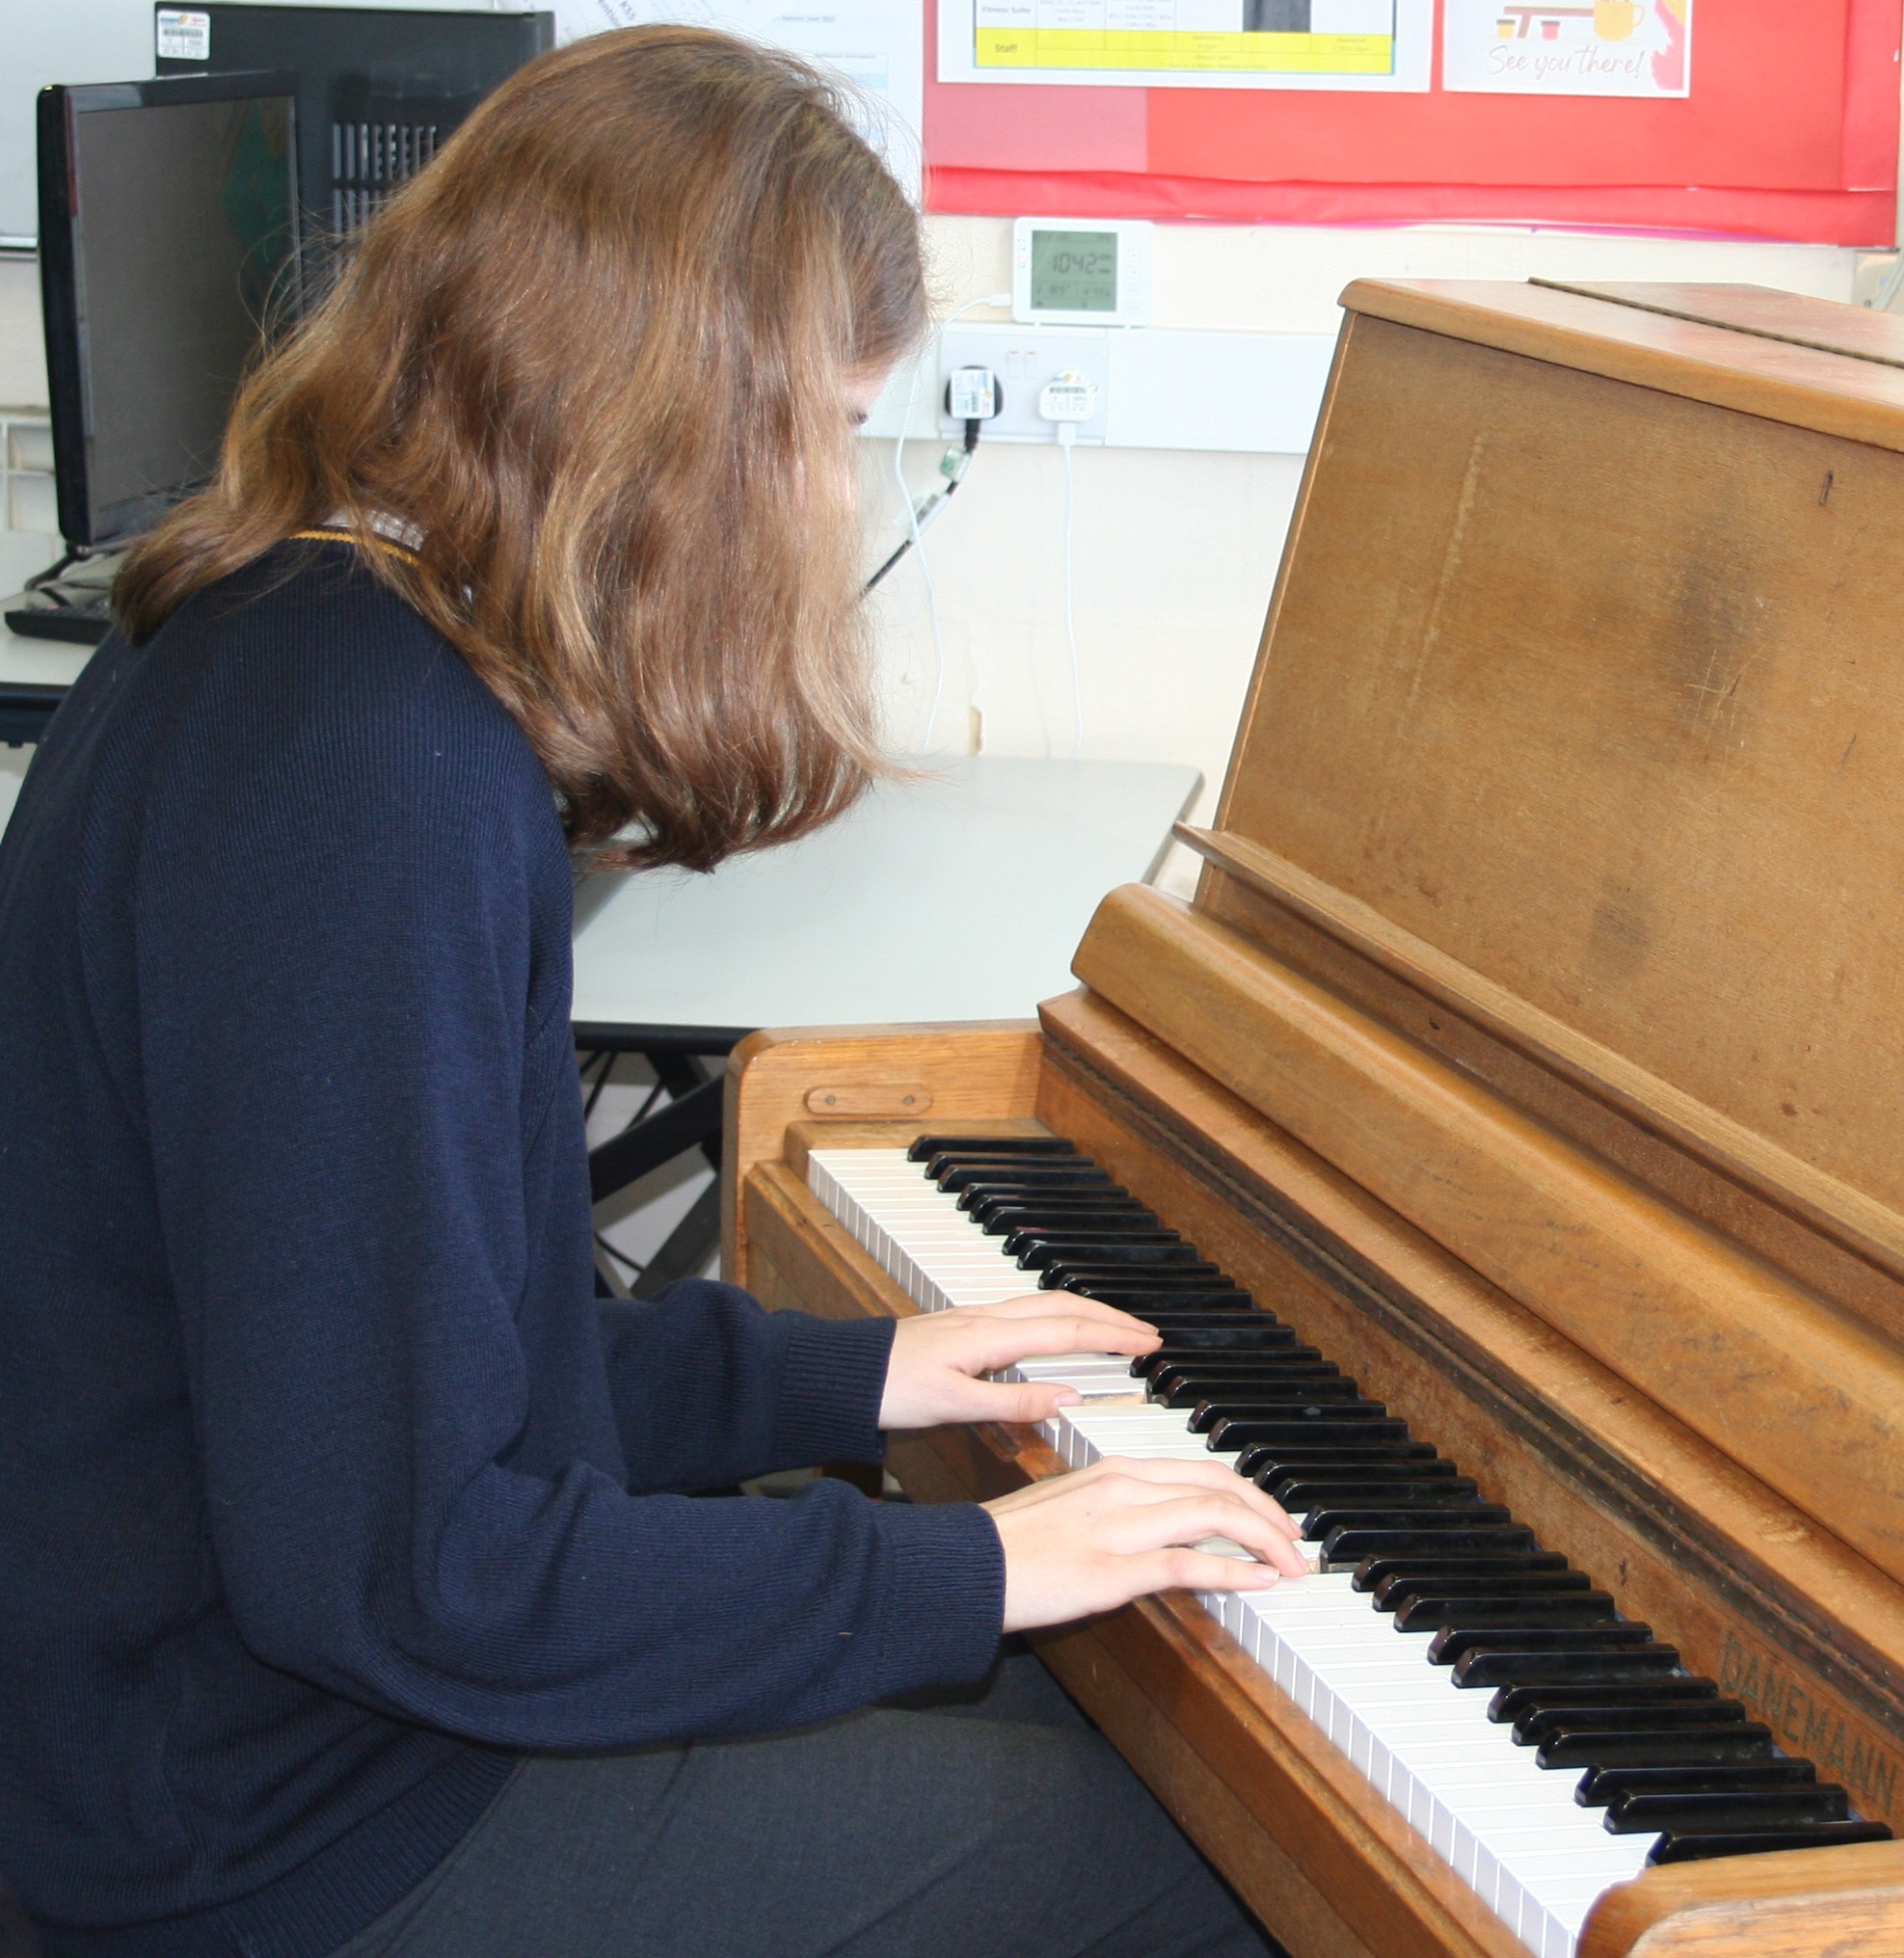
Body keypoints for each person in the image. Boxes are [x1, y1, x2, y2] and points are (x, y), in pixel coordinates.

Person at [0, 28, 1305, 1958]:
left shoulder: (279, 644)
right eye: (821, 434)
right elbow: (418, 1564)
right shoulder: (374, 782)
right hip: (275, 1829)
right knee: (1198, 1868)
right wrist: (954, 1565)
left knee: (1091, 1687)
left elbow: (413, 1364)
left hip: (220, 1720)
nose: (831, 507)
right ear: (680, 434)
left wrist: (844, 1373)